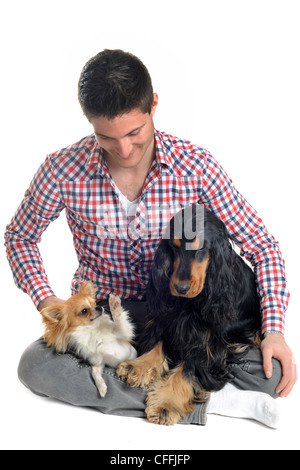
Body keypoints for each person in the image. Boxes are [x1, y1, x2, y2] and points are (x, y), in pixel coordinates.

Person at [5, 49, 296, 427]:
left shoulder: (196, 166)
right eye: (106, 137)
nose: (124, 150)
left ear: (153, 105)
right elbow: (19, 236)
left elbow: (262, 246)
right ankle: (211, 399)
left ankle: (175, 378)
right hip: (107, 319)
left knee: (272, 373)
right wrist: (47, 299)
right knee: (35, 366)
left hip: (186, 314)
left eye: (134, 132)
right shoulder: (62, 169)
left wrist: (273, 330)